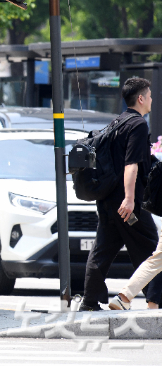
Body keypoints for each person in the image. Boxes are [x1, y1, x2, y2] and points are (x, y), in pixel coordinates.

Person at [77, 77, 162, 311]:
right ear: (141, 98)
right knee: (152, 249)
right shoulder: (137, 125)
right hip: (126, 201)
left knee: (102, 250)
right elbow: (131, 164)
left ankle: (89, 301)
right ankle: (153, 301)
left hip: (106, 199)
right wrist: (130, 198)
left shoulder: (116, 122)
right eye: (150, 95)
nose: (152, 99)